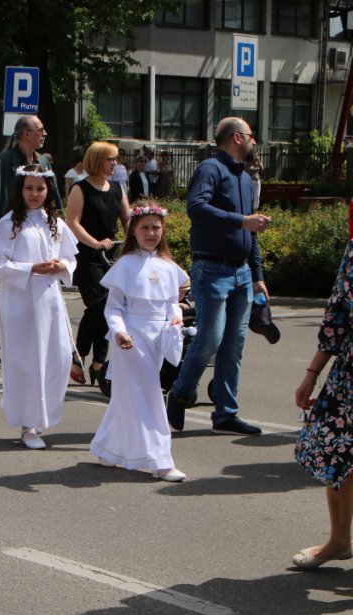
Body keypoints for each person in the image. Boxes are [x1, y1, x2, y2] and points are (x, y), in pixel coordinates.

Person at [165, 117, 270, 435]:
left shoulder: (246, 177)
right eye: (252, 137)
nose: (255, 143)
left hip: (240, 271)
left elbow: (250, 233)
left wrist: (257, 274)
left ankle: (225, 413)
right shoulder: (211, 169)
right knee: (209, 338)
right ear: (237, 138)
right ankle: (180, 394)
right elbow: (195, 207)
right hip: (211, 269)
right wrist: (241, 221)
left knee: (234, 344)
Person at [89, 201, 189, 482]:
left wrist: (176, 317)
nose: (151, 233)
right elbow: (114, 307)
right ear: (133, 231)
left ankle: (108, 449)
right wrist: (119, 331)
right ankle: (161, 460)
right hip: (131, 338)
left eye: (156, 227)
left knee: (127, 395)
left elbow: (172, 302)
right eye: (144, 228)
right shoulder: (126, 265)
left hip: (158, 336)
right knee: (148, 396)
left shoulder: (168, 266)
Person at [0, 164, 77, 450]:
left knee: (56, 358)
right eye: (29, 188)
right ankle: (27, 425)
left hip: (49, 299)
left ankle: (42, 415)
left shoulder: (55, 222)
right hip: (20, 300)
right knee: (25, 361)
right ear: (20, 190)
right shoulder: (9, 223)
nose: (35, 193)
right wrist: (31, 268)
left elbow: (70, 258)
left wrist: (61, 266)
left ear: (48, 190)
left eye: (40, 188)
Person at [292, 240, 353, 569]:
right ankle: (339, 541)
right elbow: (337, 317)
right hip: (350, 374)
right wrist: (312, 373)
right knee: (337, 451)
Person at [64, 141, 130, 389]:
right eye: (109, 159)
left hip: (112, 257)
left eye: (115, 159)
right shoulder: (80, 189)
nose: (114, 163)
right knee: (99, 304)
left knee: (110, 307)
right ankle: (80, 356)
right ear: (96, 160)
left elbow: (127, 220)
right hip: (88, 257)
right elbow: (73, 223)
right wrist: (95, 243)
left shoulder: (117, 188)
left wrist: (138, 241)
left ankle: (97, 362)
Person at [0, 116, 58, 233]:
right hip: (10, 234)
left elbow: (54, 200)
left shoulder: (44, 162)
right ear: (26, 134)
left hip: (40, 232)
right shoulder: (0, 163)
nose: (45, 133)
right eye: (40, 130)